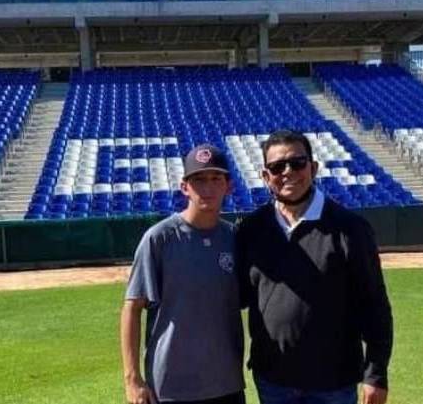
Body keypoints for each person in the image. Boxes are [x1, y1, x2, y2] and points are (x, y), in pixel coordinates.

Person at [235, 130, 393, 404]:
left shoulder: (350, 228)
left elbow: (375, 305)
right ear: (265, 176)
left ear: (313, 167)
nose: (288, 172)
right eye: (277, 167)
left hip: (334, 383)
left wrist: (376, 374)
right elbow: (239, 297)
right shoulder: (251, 229)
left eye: (297, 163)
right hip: (273, 380)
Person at [121, 144, 245, 404]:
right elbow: (132, 308)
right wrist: (132, 379)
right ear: (184, 187)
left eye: (216, 179)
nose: (208, 188)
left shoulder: (234, 238)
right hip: (171, 387)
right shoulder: (159, 238)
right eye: (199, 180)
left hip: (227, 384)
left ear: (229, 186)